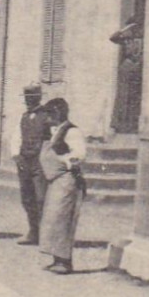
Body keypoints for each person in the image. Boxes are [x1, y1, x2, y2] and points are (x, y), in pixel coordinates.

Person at [37, 97, 87, 275]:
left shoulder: (72, 131)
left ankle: (65, 262)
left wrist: (63, 162)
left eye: (49, 114)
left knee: (64, 220)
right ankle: (57, 259)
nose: (47, 118)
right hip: (56, 180)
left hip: (67, 180)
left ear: (57, 114)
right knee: (54, 219)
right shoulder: (56, 130)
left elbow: (79, 155)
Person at [15, 84, 51, 245]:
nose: (29, 100)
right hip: (24, 162)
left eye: (32, 97)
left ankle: (47, 236)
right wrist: (17, 158)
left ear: (39, 98)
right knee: (27, 198)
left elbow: (52, 141)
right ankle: (33, 232)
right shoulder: (23, 116)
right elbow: (17, 138)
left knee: (42, 199)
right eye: (26, 98)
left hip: (39, 163)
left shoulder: (47, 117)